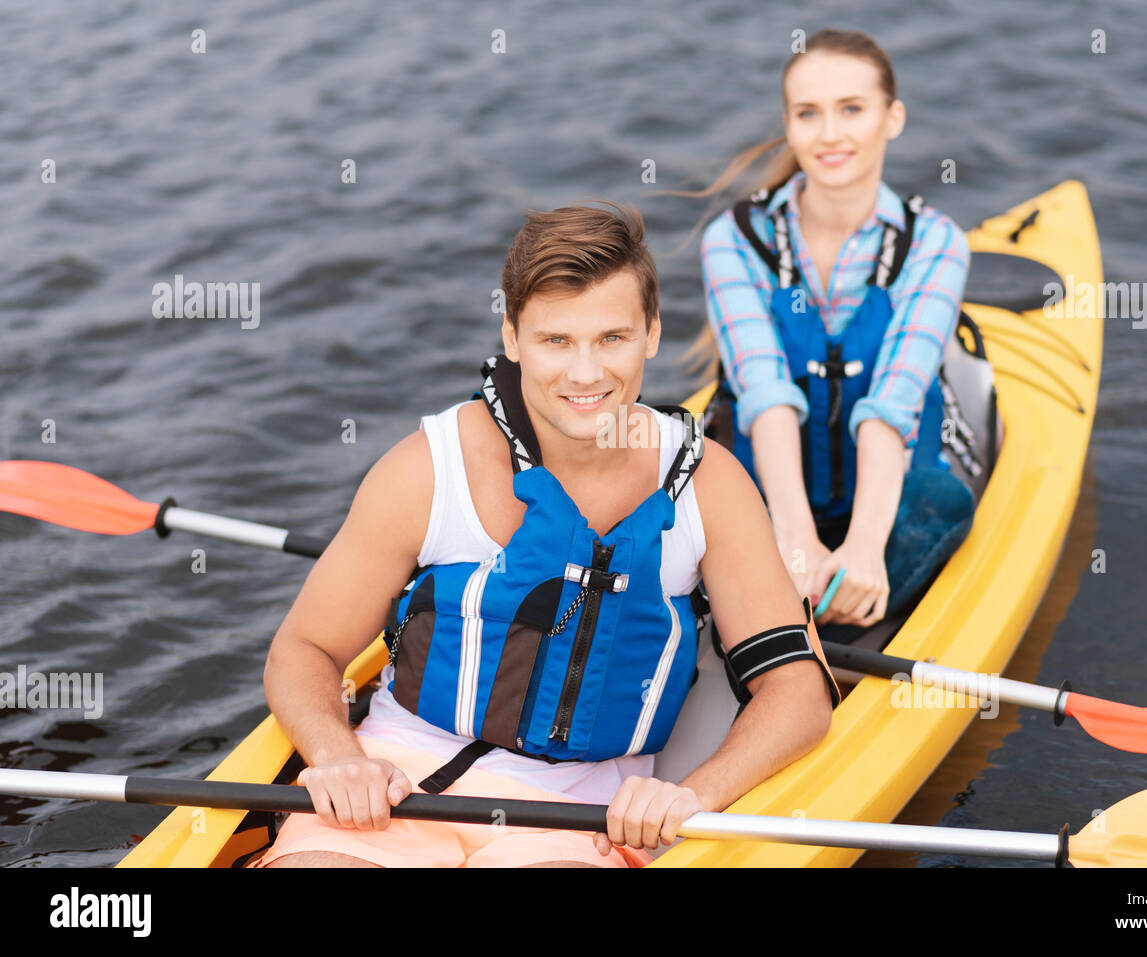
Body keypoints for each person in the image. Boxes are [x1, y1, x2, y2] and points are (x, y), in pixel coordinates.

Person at [254, 202, 838, 868]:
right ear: (512, 336)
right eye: (556, 340)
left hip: (577, 822)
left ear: (652, 332)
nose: (586, 374)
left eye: (611, 338)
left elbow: (797, 689)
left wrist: (691, 793)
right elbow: (304, 647)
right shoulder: (428, 468)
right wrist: (337, 758)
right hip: (391, 790)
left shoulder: (710, 485)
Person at [694, 28, 976, 637]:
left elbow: (890, 406)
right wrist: (792, 540)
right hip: (774, 488)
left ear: (891, 117)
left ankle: (833, 614)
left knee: (944, 502)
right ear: (789, 124)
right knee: (694, 518)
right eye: (808, 113)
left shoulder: (935, 244)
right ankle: (803, 614)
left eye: (852, 109)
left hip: (885, 493)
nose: (828, 134)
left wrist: (865, 547)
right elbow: (765, 394)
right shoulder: (736, 240)